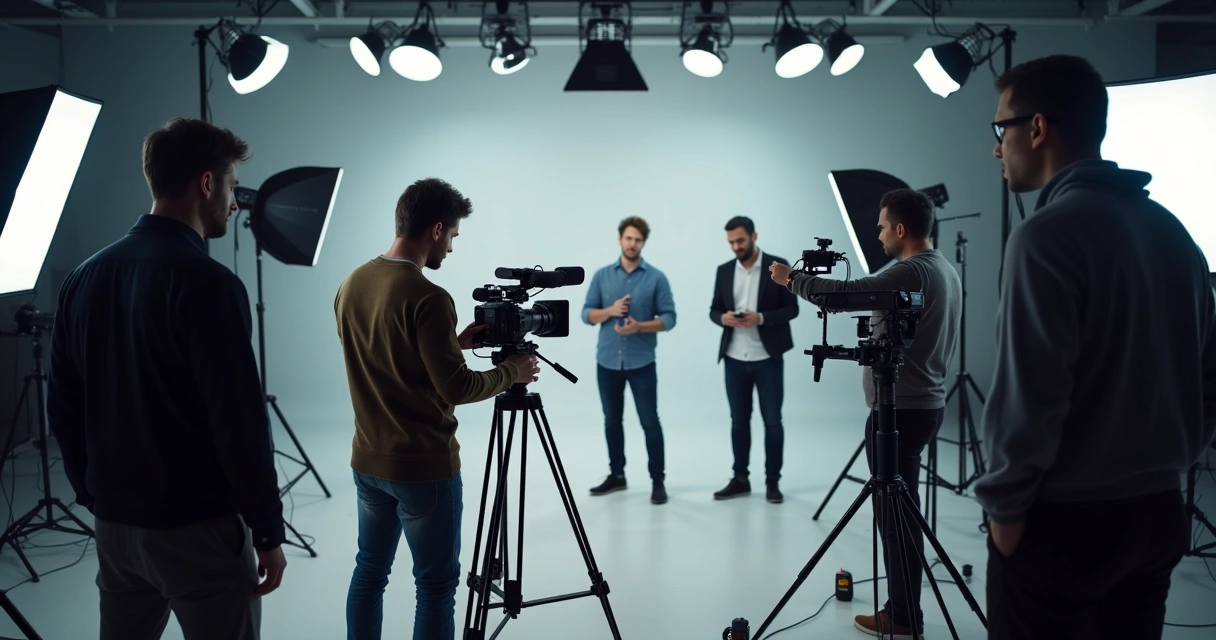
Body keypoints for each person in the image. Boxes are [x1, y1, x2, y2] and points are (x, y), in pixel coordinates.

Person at [974, 54, 1216, 639]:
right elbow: (1208, 378)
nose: (996, 148)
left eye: (1000, 128)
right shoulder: (1173, 231)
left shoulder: (1044, 236)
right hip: (1160, 517)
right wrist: (1168, 466)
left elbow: (1029, 395)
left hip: (1065, 526)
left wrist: (1005, 513)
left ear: (1036, 128)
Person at [46, 118, 286, 640]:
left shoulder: (83, 277)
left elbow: (63, 403)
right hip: (196, 529)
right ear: (206, 184)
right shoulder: (211, 284)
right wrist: (268, 530)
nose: (234, 202)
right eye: (230, 186)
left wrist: (95, 496)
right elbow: (239, 423)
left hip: (115, 528)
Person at [334, 177, 539, 640]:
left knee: (369, 572)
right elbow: (458, 388)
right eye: (453, 237)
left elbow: (385, 356)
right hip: (423, 466)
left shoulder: (353, 283)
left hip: (368, 461)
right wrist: (513, 372)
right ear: (436, 229)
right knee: (435, 585)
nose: (451, 247)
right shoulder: (428, 296)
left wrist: (452, 343)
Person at [770, 189, 961, 639]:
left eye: (880, 226)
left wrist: (791, 280)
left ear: (900, 228)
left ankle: (901, 618)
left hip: (900, 411)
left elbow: (846, 295)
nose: (876, 235)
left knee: (895, 521)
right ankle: (904, 611)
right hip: (926, 405)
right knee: (905, 515)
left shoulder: (910, 271)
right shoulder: (944, 270)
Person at [582, 216, 677, 505]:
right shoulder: (601, 276)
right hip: (607, 362)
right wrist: (610, 310)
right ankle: (617, 475)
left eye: (638, 239)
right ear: (620, 239)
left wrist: (640, 327)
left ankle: (658, 481)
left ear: (643, 243)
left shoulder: (657, 278)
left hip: (641, 363)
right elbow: (586, 315)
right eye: (628, 238)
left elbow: (670, 319)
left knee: (650, 421)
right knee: (612, 420)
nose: (632, 243)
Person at [709, 216, 799, 503]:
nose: (736, 246)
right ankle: (740, 479)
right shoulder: (723, 271)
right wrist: (722, 318)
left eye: (740, 240)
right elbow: (713, 309)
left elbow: (792, 309)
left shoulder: (778, 264)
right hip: (734, 357)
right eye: (731, 242)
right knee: (738, 422)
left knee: (772, 421)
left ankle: (772, 482)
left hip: (767, 357)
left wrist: (760, 318)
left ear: (754, 236)